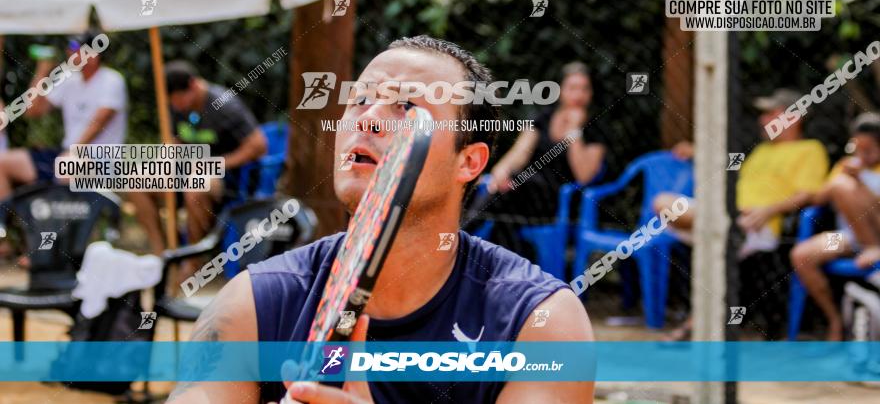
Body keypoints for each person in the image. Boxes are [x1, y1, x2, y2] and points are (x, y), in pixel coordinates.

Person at [167, 36, 594, 404]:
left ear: (468, 162)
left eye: (407, 106)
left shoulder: (540, 321)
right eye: (361, 99)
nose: (367, 118)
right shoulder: (254, 303)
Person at [652, 88, 829, 338]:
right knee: (663, 202)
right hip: (730, 214)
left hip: (759, 225)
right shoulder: (762, 151)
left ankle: (696, 321)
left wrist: (769, 209)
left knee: (714, 244)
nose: (762, 119)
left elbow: (809, 194)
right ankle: (721, 231)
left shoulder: (810, 150)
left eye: (770, 113)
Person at [464, 62, 607, 259]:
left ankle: (460, 236)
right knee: (503, 208)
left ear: (591, 93)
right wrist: (502, 170)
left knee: (506, 196)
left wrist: (575, 132)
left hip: (558, 201)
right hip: (521, 192)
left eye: (584, 89)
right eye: (572, 88)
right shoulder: (544, 118)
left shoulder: (594, 130)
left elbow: (584, 176)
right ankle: (506, 266)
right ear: (561, 90)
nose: (578, 95)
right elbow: (519, 153)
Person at [131, 61, 267, 256]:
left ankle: (192, 258)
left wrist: (217, 163)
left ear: (193, 85)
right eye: (171, 101)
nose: (175, 106)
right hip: (186, 170)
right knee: (137, 182)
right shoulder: (173, 107)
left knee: (196, 187)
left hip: (228, 178)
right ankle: (162, 254)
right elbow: (174, 140)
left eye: (178, 99)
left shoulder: (225, 105)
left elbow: (259, 145)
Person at [0, 30, 128, 199]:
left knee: (67, 167)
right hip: (66, 153)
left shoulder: (112, 80)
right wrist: (41, 72)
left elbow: (98, 122)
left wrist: (74, 151)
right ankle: (7, 221)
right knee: (2, 163)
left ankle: (66, 224)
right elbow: (33, 111)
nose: (69, 52)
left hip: (101, 159)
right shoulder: (69, 80)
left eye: (75, 47)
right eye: (70, 47)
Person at [791, 113, 880, 340]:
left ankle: (872, 245)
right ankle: (835, 319)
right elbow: (819, 199)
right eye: (857, 148)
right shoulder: (845, 165)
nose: (861, 155)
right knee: (802, 255)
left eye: (868, 150)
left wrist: (861, 182)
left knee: (842, 187)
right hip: (849, 238)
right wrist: (839, 180)